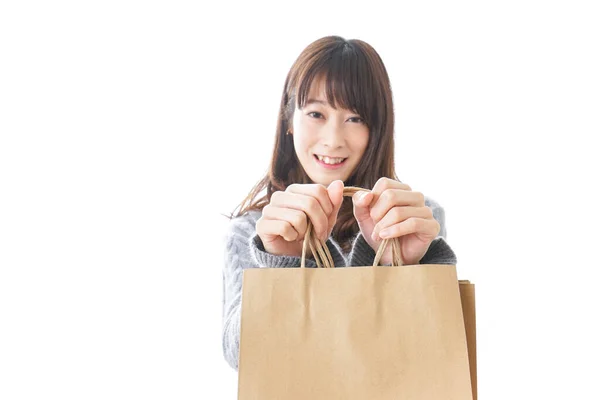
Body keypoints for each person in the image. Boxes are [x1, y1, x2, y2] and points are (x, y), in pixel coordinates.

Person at [221, 35, 457, 371]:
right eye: (316, 113)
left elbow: (432, 347)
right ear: (289, 119)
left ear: (377, 128)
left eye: (355, 118)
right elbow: (240, 358)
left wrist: (395, 264)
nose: (333, 140)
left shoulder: (410, 217)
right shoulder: (252, 230)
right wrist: (281, 262)